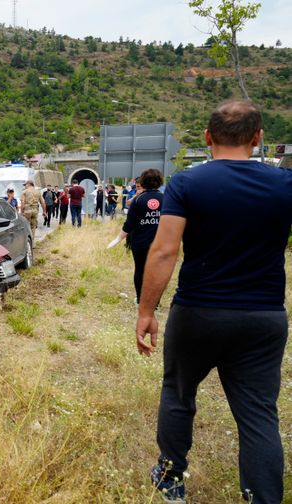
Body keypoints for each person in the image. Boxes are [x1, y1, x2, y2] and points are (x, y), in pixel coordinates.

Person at [136, 100, 292, 504]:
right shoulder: (285, 185)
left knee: (179, 394)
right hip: (263, 317)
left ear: (207, 138)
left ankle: (170, 480)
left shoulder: (187, 184)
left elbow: (164, 252)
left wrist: (146, 311)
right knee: (259, 415)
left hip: (198, 313)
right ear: (258, 139)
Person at [110, 169, 163, 303]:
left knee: (140, 269)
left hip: (140, 242)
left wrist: (118, 239)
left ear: (143, 182)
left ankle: (141, 299)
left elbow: (129, 224)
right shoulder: (165, 198)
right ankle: (155, 302)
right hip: (160, 243)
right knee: (157, 272)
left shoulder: (138, 200)